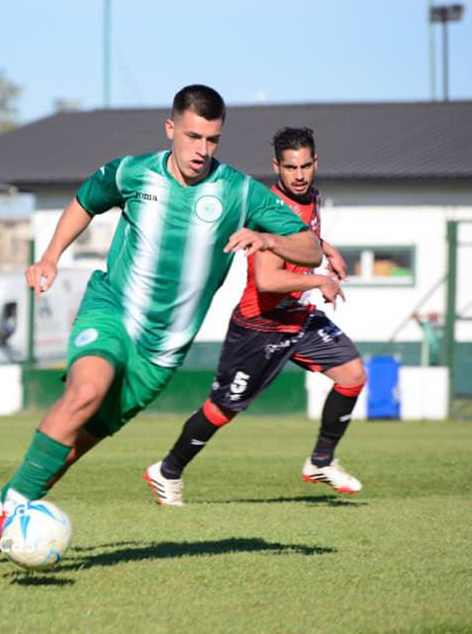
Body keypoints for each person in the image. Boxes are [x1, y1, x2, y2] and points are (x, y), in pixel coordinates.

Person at [0, 85, 322, 569]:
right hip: (112, 311)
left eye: (212, 140)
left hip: (161, 354)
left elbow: (310, 247)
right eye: (193, 137)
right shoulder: (132, 172)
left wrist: (268, 238)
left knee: (69, 451)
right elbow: (86, 199)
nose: (202, 150)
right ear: (170, 129)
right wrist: (50, 257)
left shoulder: (239, 191)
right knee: (85, 391)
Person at [144, 127, 367, 506]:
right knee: (222, 409)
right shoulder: (269, 212)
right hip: (259, 326)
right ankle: (167, 470)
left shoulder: (311, 197)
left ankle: (321, 462)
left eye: (305, 166)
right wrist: (319, 278)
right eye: (290, 167)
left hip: (296, 317)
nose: (299, 175)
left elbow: (305, 234)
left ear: (315, 163)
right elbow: (267, 280)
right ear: (276, 167)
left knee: (352, 375)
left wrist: (326, 250)